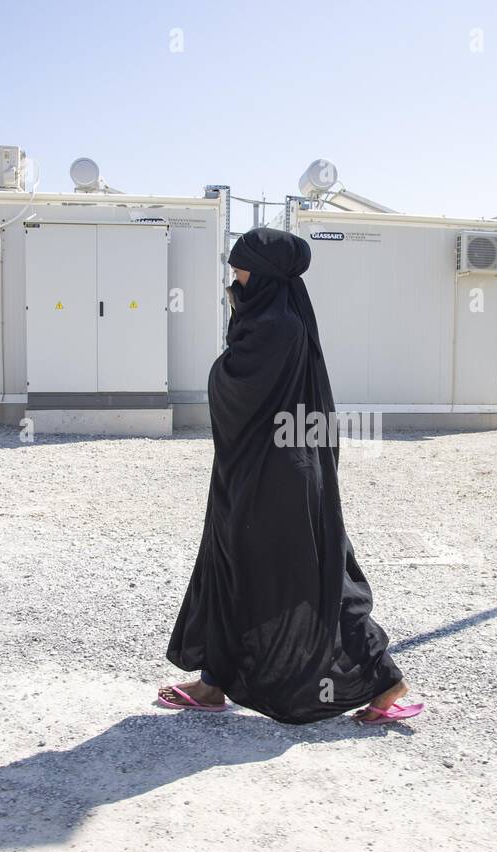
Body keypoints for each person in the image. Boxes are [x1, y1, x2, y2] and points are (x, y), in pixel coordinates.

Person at [159, 228, 422, 726]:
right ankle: (214, 681)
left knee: (308, 575)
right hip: (259, 472)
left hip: (275, 480)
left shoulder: (275, 325)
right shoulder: (279, 318)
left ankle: (388, 685)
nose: (233, 278)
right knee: (232, 565)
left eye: (239, 269)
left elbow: (234, 385)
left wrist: (223, 364)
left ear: (261, 273)